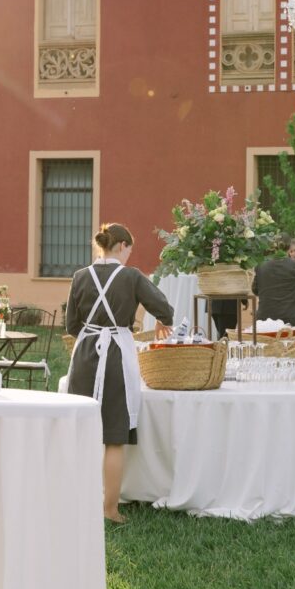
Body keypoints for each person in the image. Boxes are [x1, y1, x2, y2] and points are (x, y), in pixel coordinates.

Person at [65, 222, 174, 523]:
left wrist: (92, 332)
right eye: (130, 250)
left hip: (86, 354)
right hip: (116, 355)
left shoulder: (80, 276)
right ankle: (110, 509)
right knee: (113, 437)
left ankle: (76, 501)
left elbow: (71, 325)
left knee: (83, 433)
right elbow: (164, 307)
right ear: (123, 246)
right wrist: (161, 321)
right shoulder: (131, 276)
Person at [252, 233, 295, 329]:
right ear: (289, 248)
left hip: (266, 319)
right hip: (292, 320)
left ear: (272, 246)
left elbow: (255, 290)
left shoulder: (261, 266)